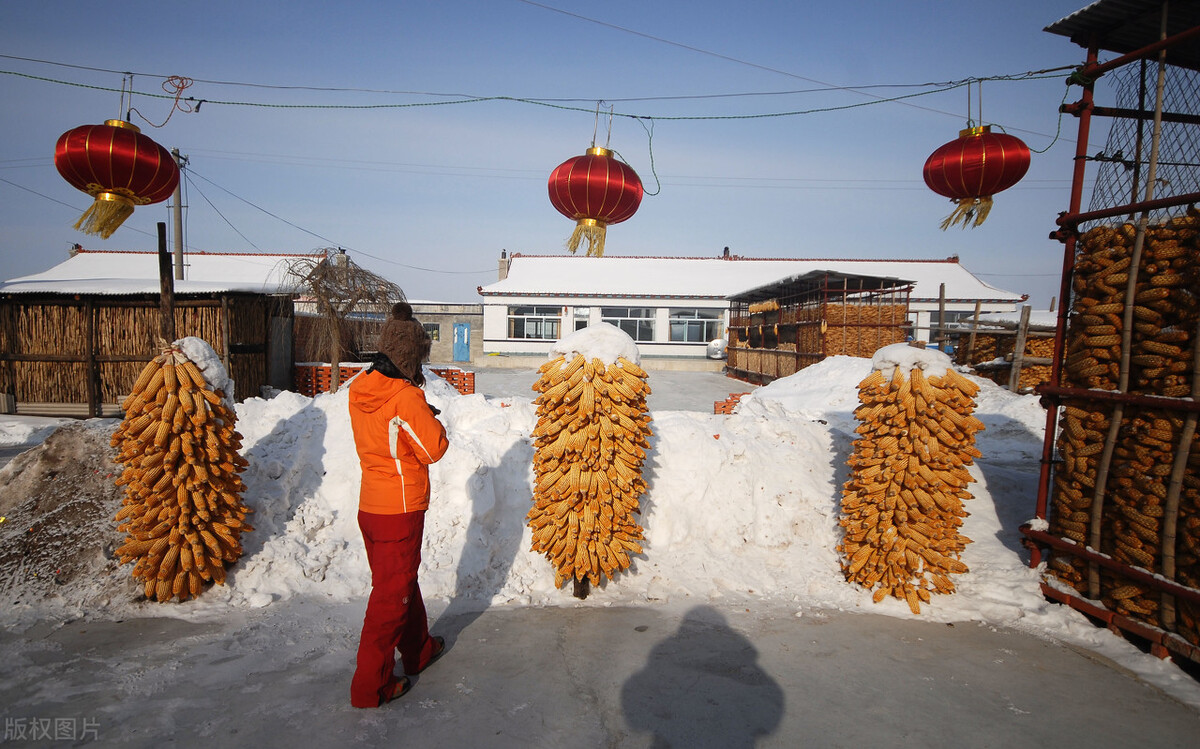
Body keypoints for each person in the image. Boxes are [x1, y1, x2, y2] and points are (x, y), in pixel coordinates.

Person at [348, 304, 449, 708]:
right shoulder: (406, 397)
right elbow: (433, 449)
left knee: (400, 583)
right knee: (390, 598)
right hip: (400, 511)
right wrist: (428, 415)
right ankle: (370, 686)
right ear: (411, 358)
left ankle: (419, 649)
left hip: (371, 507)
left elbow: (387, 434)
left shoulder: (361, 388)